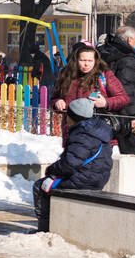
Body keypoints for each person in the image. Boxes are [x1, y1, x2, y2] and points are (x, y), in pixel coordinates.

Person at [32, 97, 113, 232]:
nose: (65, 118)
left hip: (84, 179)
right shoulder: (95, 128)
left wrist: (51, 170)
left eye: (67, 115)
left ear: (74, 117)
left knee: (40, 186)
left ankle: (44, 229)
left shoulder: (83, 134)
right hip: (96, 177)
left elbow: (70, 164)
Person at [51, 42, 129, 141]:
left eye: (90, 60)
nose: (86, 64)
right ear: (76, 60)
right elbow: (54, 98)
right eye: (82, 60)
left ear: (96, 61)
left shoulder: (104, 75)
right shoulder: (66, 75)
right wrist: (57, 103)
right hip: (71, 133)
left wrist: (106, 103)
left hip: (98, 134)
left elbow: (123, 98)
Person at [98, 26, 135, 154]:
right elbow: (127, 88)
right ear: (130, 40)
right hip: (122, 113)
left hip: (104, 108)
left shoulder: (105, 51)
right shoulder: (128, 58)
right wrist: (132, 116)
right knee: (131, 152)